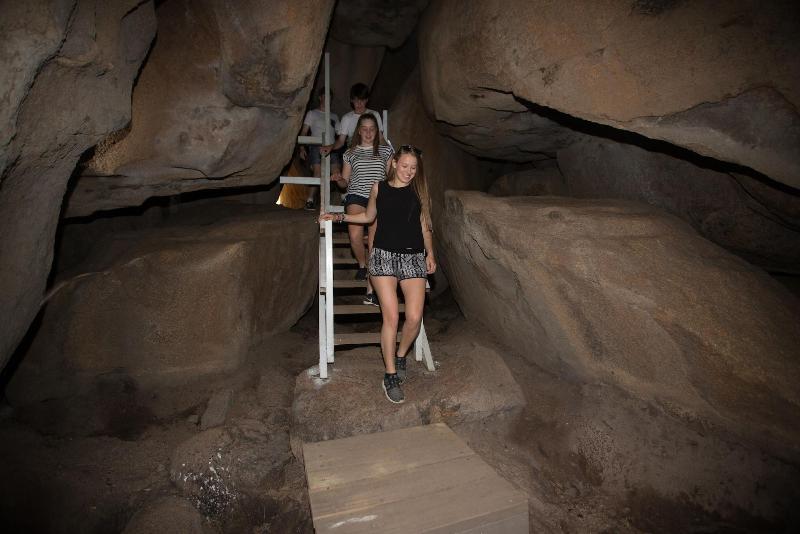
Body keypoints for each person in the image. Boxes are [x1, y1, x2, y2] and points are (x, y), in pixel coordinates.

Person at [319, 145, 436, 404]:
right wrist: (338, 217)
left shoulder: (419, 191)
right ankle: (390, 374)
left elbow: (424, 225)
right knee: (392, 316)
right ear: (394, 163)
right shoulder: (378, 188)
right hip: (383, 256)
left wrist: (430, 253)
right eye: (404, 166)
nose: (409, 172)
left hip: (413, 257)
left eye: (413, 168)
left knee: (415, 317)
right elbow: (368, 217)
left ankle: (401, 353)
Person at [340, 113, 393, 304]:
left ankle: (371, 290)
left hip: (379, 198)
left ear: (377, 131)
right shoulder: (350, 153)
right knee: (355, 236)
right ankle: (362, 265)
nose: (369, 132)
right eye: (365, 128)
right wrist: (339, 180)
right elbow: (345, 182)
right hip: (355, 195)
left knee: (374, 244)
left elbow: (391, 178)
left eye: (372, 129)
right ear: (359, 131)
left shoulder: (386, 151)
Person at [299, 88, 341, 210]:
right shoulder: (312, 113)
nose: (327, 100)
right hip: (316, 146)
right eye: (325, 97)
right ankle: (310, 200)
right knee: (318, 173)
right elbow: (304, 131)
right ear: (320, 97)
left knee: (337, 172)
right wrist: (301, 148)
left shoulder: (334, 116)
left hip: (332, 147)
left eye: (330, 98)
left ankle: (344, 198)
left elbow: (341, 134)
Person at [321, 83, 383, 159]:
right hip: (354, 155)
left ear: (367, 100)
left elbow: (380, 138)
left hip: (372, 153)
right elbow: (341, 141)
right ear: (352, 100)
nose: (359, 104)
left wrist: (389, 151)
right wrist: (331, 147)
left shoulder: (374, 115)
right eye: (356, 100)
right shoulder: (347, 118)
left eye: (362, 100)